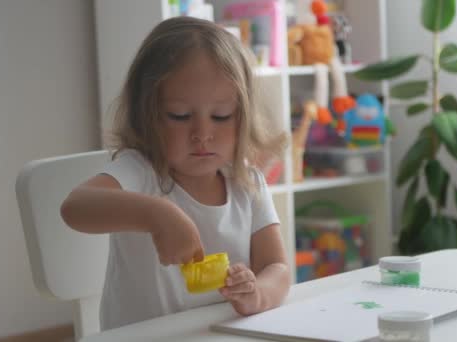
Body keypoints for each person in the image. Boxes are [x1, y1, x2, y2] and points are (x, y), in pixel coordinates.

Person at [60, 16, 289, 330]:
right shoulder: (140, 170)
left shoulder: (246, 182)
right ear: (147, 115)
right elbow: (75, 207)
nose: (202, 133)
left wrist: (257, 293)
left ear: (243, 116)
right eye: (180, 116)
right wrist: (157, 215)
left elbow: (277, 267)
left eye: (221, 116)